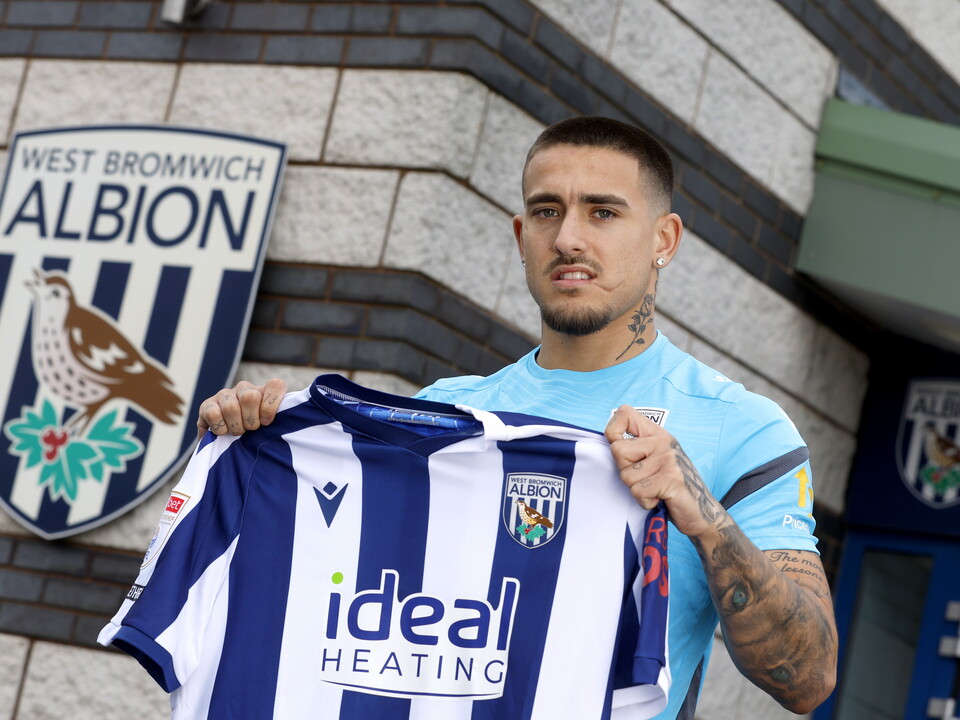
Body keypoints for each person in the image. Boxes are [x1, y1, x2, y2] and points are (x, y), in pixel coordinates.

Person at [197, 116, 838, 719]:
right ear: (520, 235)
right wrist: (252, 451)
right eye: (546, 211)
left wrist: (700, 514)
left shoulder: (741, 427)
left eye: (604, 212)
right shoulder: (439, 411)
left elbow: (808, 679)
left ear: (663, 240)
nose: (568, 239)